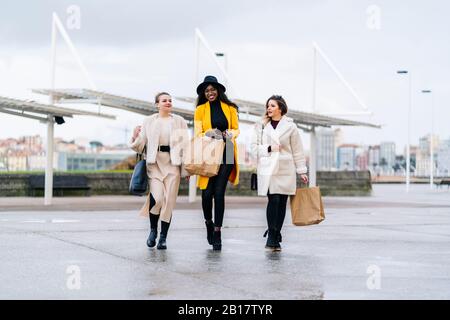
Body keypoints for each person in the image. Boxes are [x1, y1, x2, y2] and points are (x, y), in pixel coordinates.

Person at [130, 92, 189, 250]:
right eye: (164, 101)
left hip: (173, 164)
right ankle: (153, 230)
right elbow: (141, 142)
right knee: (157, 198)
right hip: (154, 164)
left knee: (169, 201)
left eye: (170, 100)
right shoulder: (149, 120)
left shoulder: (180, 121)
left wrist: (186, 169)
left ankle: (163, 237)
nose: (168, 103)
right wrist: (133, 137)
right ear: (157, 104)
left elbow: (185, 145)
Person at [251, 95, 308, 251]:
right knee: (273, 200)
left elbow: (297, 150)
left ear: (281, 109)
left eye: (272, 106)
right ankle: (271, 235)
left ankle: (276, 234)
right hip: (268, 168)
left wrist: (301, 170)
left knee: (282, 202)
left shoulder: (291, 127)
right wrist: (269, 148)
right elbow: (253, 148)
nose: (269, 108)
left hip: (286, 169)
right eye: (268, 106)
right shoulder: (260, 126)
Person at [194, 75, 240, 250]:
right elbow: (198, 133)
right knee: (207, 194)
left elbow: (236, 129)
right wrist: (209, 133)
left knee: (219, 192)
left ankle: (218, 231)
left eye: (212, 89)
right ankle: (208, 222)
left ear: (218, 91)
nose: (210, 93)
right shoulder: (200, 110)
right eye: (207, 91)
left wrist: (230, 134)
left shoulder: (230, 108)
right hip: (209, 152)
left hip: (227, 150)